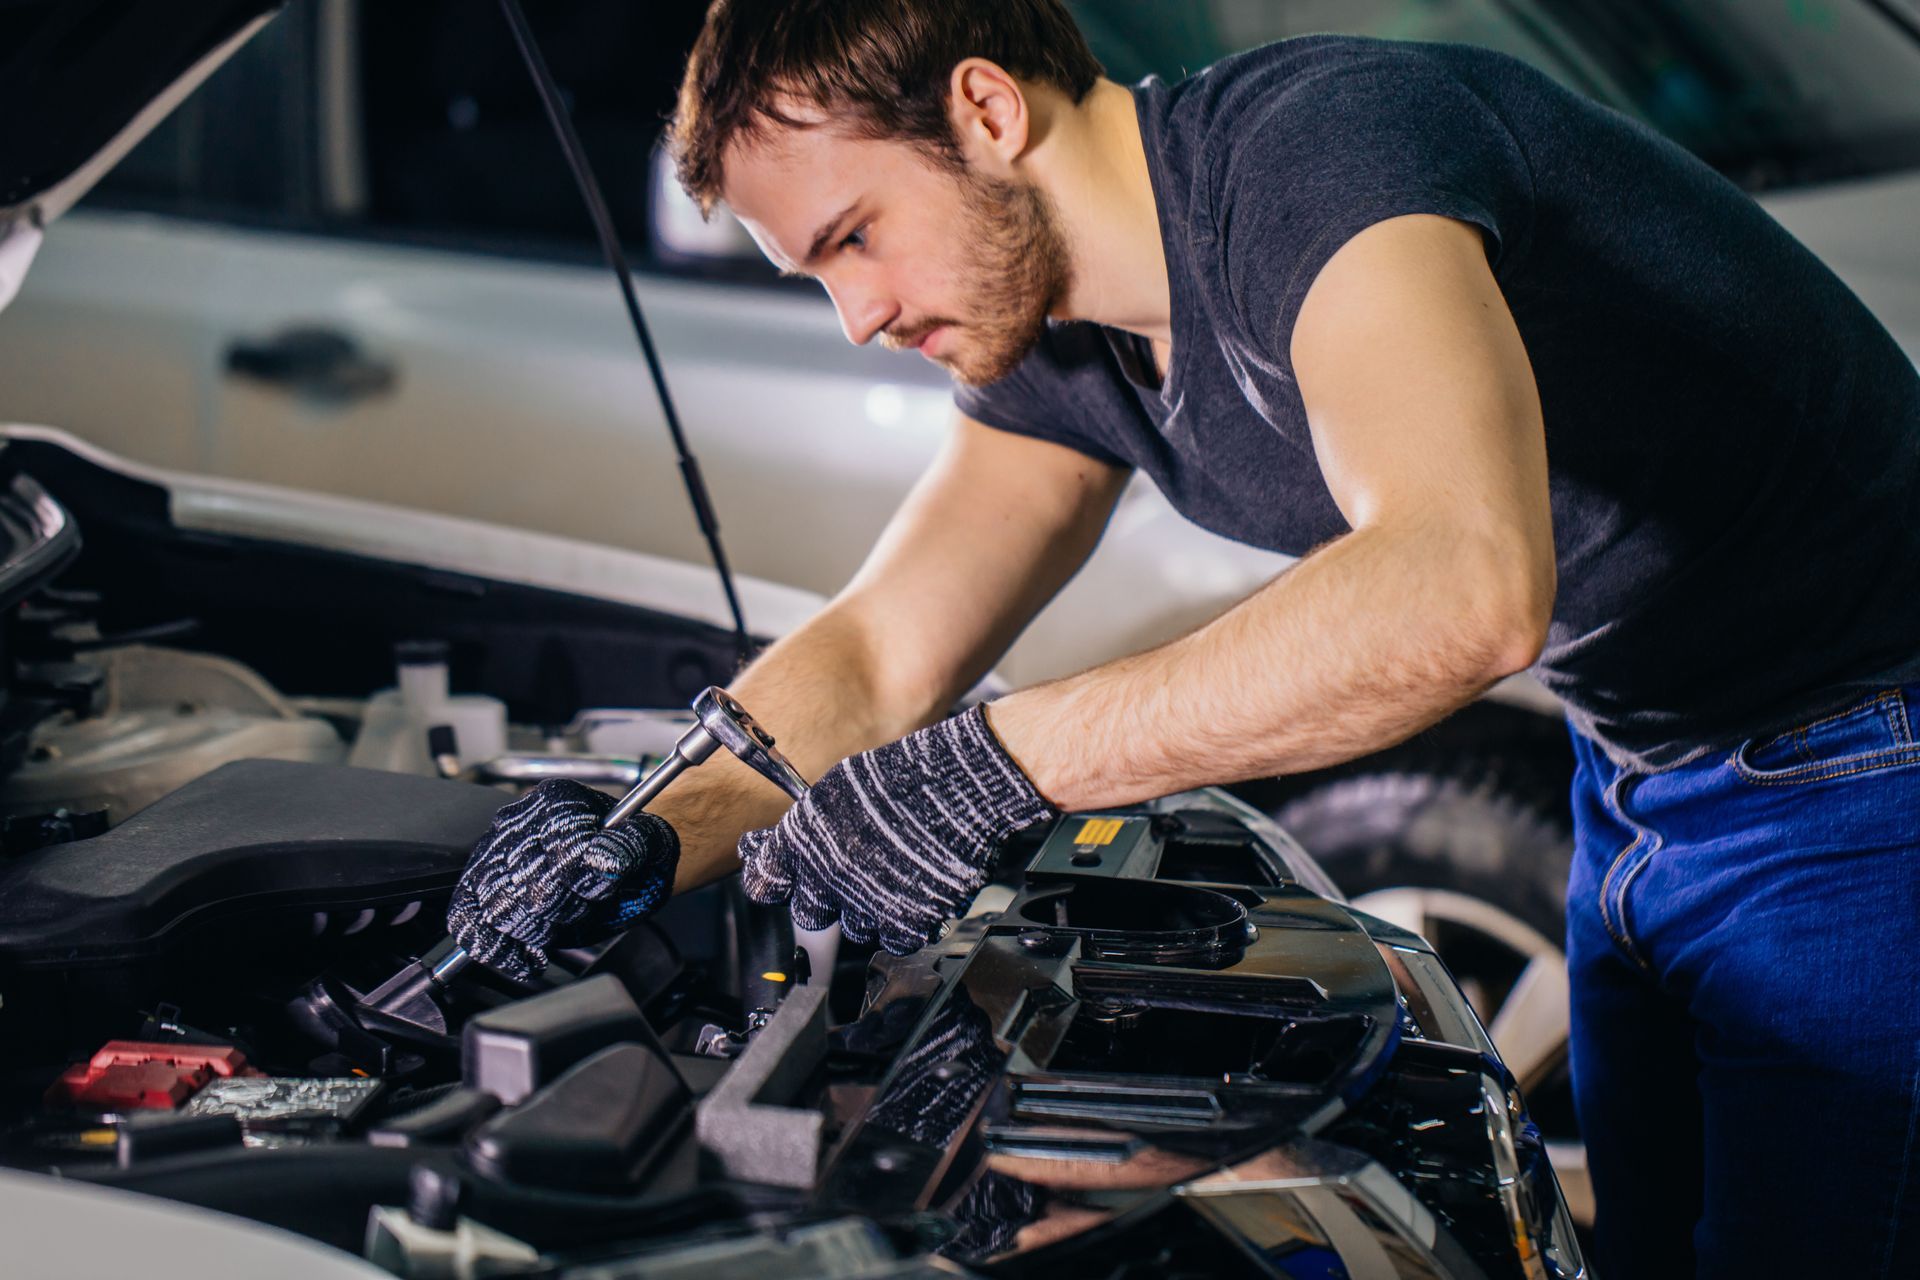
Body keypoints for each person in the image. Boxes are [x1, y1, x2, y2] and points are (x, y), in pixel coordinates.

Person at [446, 2, 1920, 1274]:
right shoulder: (1067, 340)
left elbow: (1462, 585)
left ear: (983, 106)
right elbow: (889, 648)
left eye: (856, 237)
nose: (856, 316)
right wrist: (644, 838)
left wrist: (994, 769)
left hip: (1867, 765)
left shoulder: (1319, 159)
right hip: (1651, 773)